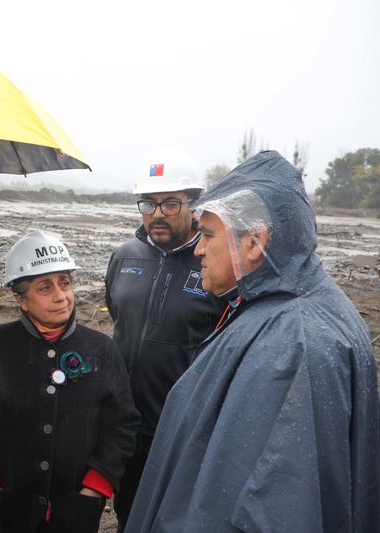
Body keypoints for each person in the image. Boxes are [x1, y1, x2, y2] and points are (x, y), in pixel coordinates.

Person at [126, 150, 380, 532]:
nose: (198, 249)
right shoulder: (273, 308)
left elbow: (276, 509)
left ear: (255, 242)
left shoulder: (295, 347)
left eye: (208, 235)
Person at [0, 230, 139, 533]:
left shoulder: (101, 349)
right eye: (45, 287)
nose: (60, 296)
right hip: (4, 510)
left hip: (75, 512)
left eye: (65, 283)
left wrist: (94, 488)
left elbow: (122, 424)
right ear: (21, 299)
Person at [104, 148, 228, 530]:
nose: (157, 213)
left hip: (181, 429)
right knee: (128, 512)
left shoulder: (212, 264)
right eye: (149, 203)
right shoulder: (124, 256)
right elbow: (117, 316)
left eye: (171, 203)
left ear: (194, 206)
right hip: (124, 424)